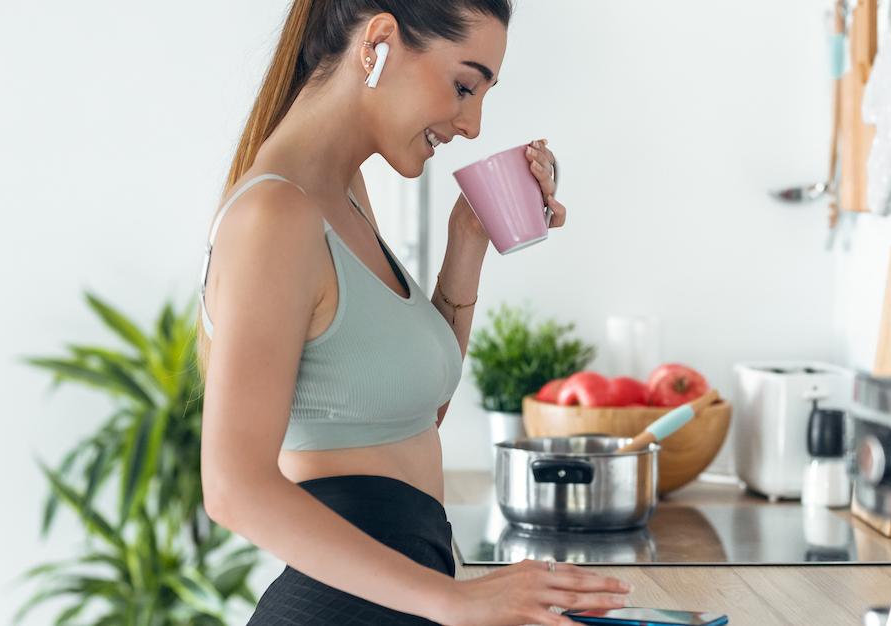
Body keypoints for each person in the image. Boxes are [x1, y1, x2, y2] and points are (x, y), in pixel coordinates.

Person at [196, 1, 632, 624]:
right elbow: (234, 489)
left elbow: (413, 420)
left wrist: (469, 240)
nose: (474, 123)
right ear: (378, 41)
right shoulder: (275, 217)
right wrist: (453, 601)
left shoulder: (341, 195)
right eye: (463, 85)